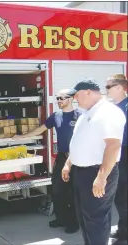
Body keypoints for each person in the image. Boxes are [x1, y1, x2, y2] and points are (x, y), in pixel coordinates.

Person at [62, 79, 126, 245]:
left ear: (89, 91)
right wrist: (68, 163)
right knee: (84, 217)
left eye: (77, 95)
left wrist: (102, 177)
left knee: (96, 219)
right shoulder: (86, 114)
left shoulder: (108, 112)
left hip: (97, 172)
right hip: (80, 173)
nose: (75, 99)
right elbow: (79, 141)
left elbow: (113, 146)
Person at [13, 89, 80, 234]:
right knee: (57, 190)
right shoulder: (56, 116)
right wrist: (22, 137)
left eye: (62, 98)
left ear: (71, 98)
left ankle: (74, 222)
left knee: (73, 192)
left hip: (77, 157)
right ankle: (61, 218)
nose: (59, 100)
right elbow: (40, 129)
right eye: (57, 98)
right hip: (62, 157)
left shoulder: (80, 115)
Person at [106, 74, 128, 241]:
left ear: (120, 87)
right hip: (119, 152)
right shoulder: (114, 107)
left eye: (109, 87)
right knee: (120, 195)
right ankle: (123, 229)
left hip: (125, 153)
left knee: (123, 195)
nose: (106, 89)